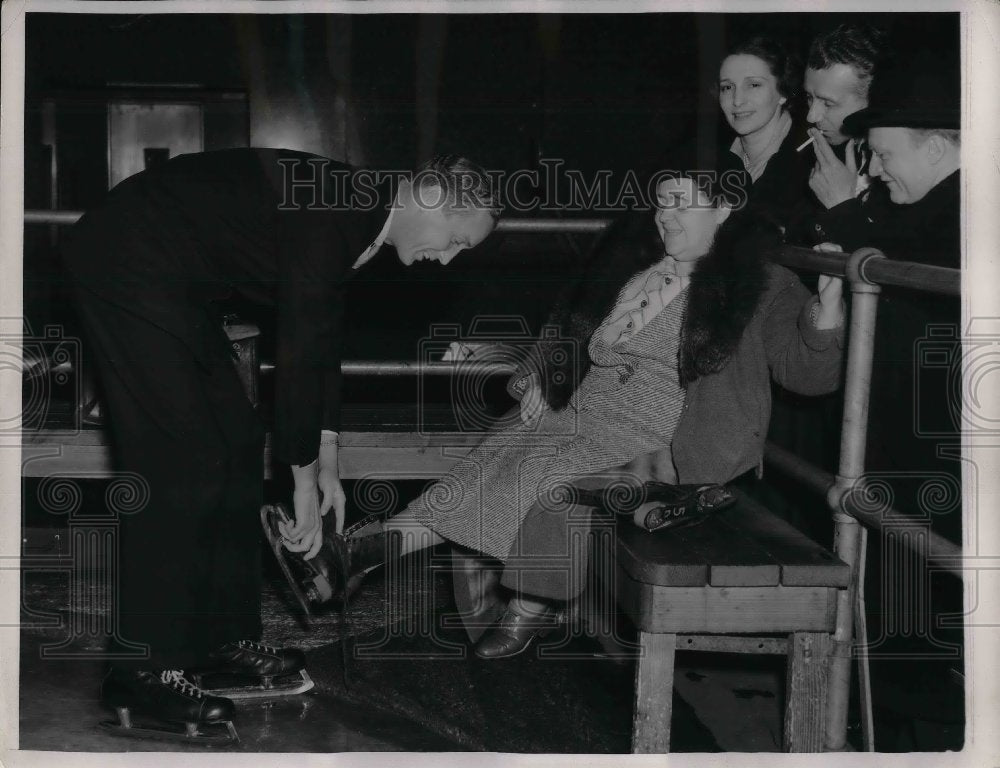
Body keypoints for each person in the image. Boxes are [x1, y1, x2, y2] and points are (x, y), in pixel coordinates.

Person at [287, 170, 845, 659]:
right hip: (582, 412)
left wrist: (828, 306)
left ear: (724, 208)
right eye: (661, 201)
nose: (664, 214)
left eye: (681, 201)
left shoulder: (760, 283)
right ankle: (361, 552)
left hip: (660, 433)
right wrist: (538, 376)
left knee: (544, 474)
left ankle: (529, 604)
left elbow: (808, 373)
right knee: (489, 459)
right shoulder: (636, 272)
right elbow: (565, 337)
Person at [61, 148, 499, 741]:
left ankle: (216, 642)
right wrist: (301, 483)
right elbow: (296, 351)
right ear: (429, 199)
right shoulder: (340, 210)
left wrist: (330, 467)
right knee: (181, 458)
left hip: (173, 279)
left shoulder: (363, 215)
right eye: (456, 240)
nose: (446, 260)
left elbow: (319, 341)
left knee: (237, 441)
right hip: (127, 260)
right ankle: (141, 670)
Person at [714, 36, 813, 239]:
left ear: (783, 92)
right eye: (727, 87)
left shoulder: (811, 162)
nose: (737, 101)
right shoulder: (709, 161)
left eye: (753, 85)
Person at [803, 23, 889, 219]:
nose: (811, 116)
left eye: (828, 103)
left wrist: (841, 205)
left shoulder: (900, 165)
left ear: (873, 100)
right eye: (809, 97)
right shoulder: (829, 157)